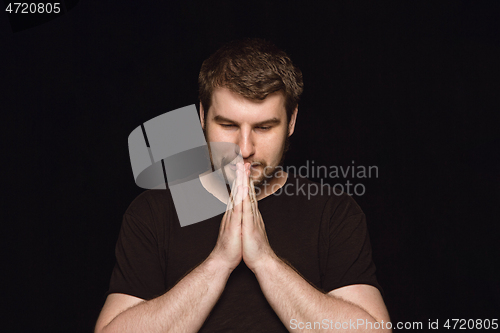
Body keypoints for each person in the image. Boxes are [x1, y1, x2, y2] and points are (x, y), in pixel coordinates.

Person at [95, 38, 391, 332]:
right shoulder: (152, 213)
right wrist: (219, 262)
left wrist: (265, 261)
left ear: (291, 121)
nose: (245, 148)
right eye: (228, 125)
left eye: (264, 127)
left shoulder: (333, 213)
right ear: (201, 116)